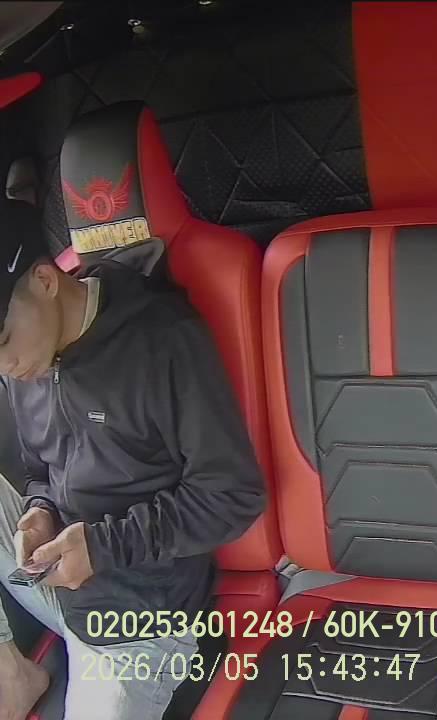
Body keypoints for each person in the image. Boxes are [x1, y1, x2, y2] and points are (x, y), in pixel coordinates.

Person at [0, 198, 266, 720]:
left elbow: (234, 495)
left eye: (3, 340)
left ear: (46, 281)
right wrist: (38, 511)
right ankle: (13, 673)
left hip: (143, 624)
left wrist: (102, 547)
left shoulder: (161, 340)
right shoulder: (26, 363)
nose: (3, 366)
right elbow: (39, 470)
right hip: (60, 582)